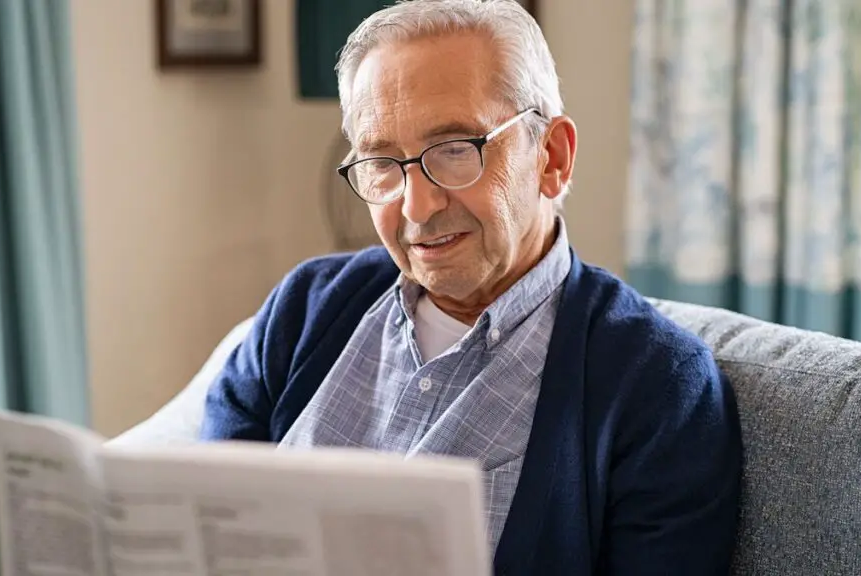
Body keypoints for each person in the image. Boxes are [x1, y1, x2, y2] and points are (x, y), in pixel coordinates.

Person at [199, 0, 742, 573]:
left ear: (551, 157)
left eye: (457, 150)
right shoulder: (304, 310)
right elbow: (202, 526)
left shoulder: (659, 389)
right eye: (383, 161)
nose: (417, 205)